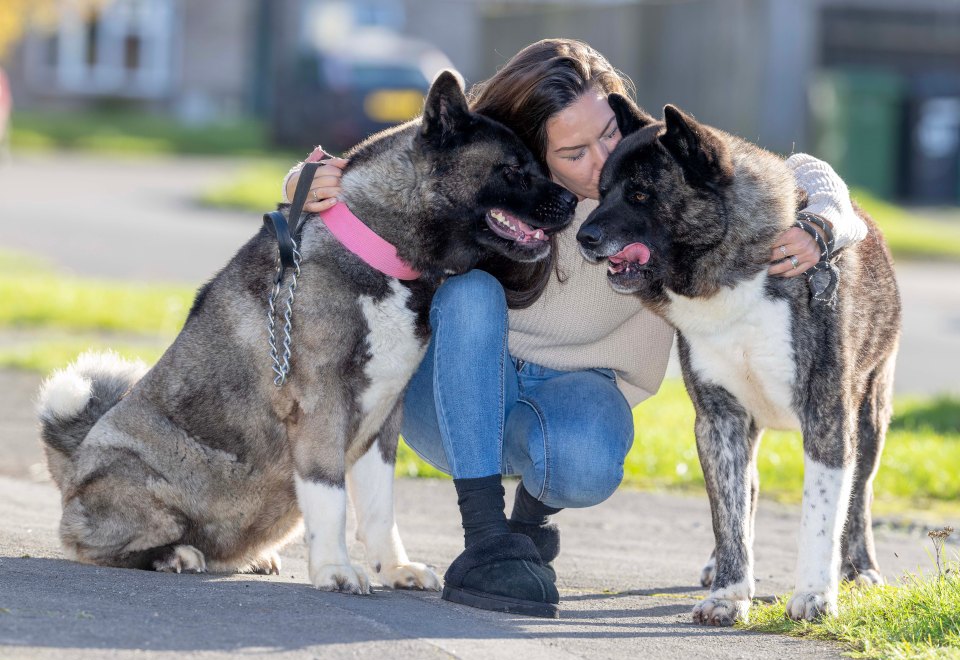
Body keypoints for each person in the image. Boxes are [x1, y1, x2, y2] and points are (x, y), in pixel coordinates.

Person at [281, 39, 867, 618]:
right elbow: (391, 163)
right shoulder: (494, 174)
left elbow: (792, 170)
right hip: (455, 402)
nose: (601, 160)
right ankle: (485, 538)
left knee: (588, 453)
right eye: (574, 152)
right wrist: (302, 184)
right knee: (471, 294)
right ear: (535, 150)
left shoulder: (652, 166)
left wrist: (829, 220)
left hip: (568, 405)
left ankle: (527, 528)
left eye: (607, 134)